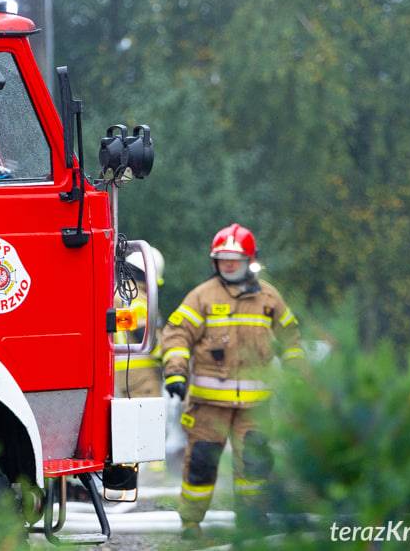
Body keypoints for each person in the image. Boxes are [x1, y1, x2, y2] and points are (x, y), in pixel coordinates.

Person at [161, 223, 304, 539]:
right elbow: (176, 335)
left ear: (250, 260)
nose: (228, 264)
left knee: (253, 468)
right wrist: (175, 371)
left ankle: (252, 525)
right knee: (200, 465)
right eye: (222, 258)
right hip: (208, 406)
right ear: (214, 262)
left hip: (255, 407)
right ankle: (190, 525)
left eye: (234, 259)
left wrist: (296, 373)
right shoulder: (202, 296)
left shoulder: (268, 297)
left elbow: (291, 336)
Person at [114, 248, 164, 398]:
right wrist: (172, 360)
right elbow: (146, 337)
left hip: (122, 376)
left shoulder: (120, 294)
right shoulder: (137, 300)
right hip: (143, 378)